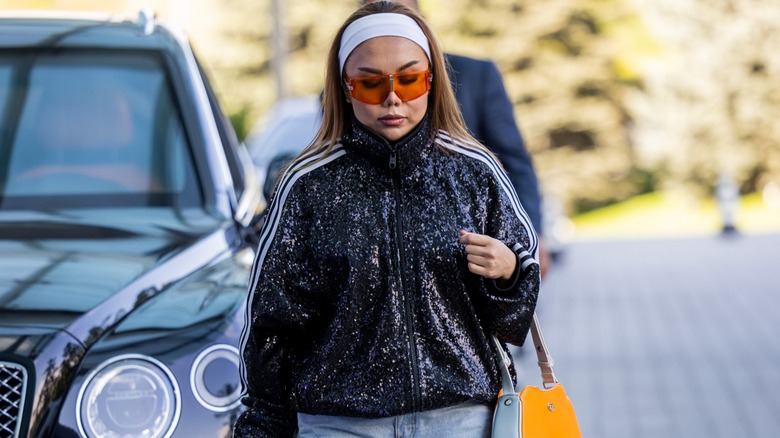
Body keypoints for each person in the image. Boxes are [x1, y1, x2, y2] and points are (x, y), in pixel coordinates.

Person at [234, 2, 540, 437]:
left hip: (461, 422)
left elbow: (514, 320)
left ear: (431, 81)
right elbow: (271, 325)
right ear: (345, 88)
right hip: (340, 426)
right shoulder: (306, 187)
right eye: (371, 83)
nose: (393, 97)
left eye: (409, 79)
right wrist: (264, 425)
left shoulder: (476, 172)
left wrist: (509, 274)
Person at [362, 0, 551, 277]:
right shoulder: (350, 90)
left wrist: (531, 233)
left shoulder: (476, 75)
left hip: (473, 253)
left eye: (402, 16)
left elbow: (513, 160)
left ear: (422, 20)